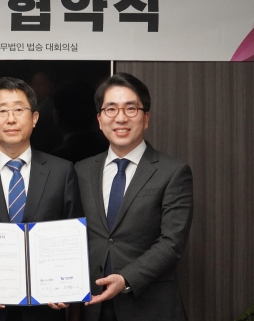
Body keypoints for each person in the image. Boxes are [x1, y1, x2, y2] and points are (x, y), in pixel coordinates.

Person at [0, 77, 83, 321]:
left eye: (19, 109)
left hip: (44, 310)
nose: (11, 119)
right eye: (2, 111)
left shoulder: (62, 171)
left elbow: (73, 237)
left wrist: (66, 287)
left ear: (35, 118)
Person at [75, 73, 193, 321]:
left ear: (146, 118)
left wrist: (126, 279)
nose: (121, 117)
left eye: (131, 108)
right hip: (93, 308)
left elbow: (172, 242)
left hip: (150, 307)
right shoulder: (81, 171)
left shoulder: (172, 171)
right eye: (111, 109)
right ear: (99, 119)